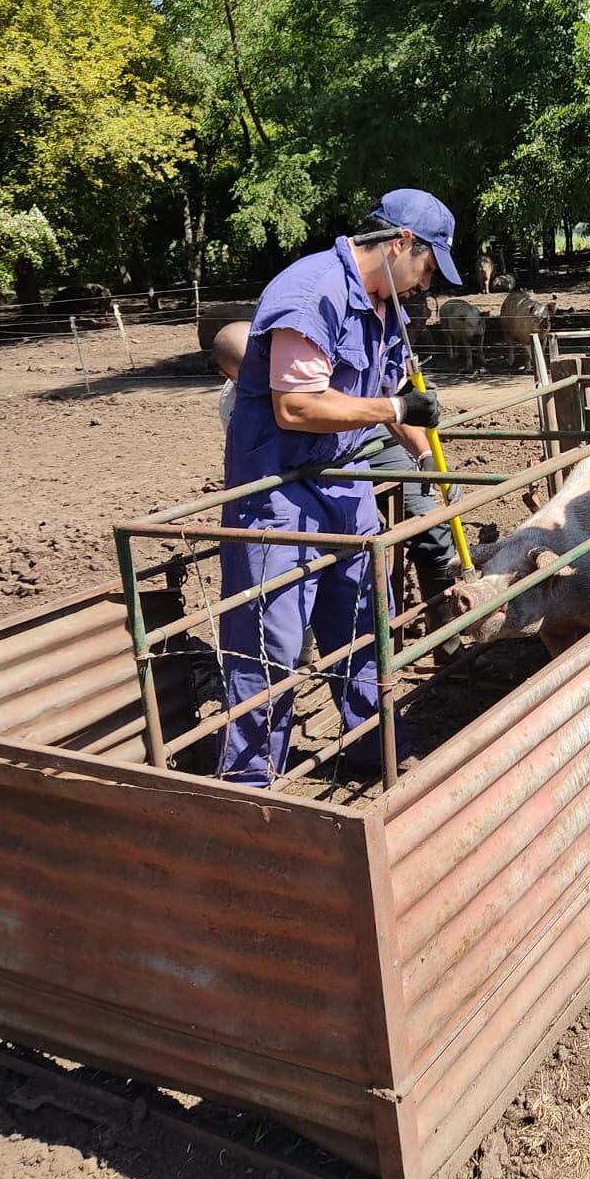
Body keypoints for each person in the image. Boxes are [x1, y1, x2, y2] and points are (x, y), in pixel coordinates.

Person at [217, 188, 461, 787]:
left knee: (363, 613)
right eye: (428, 268)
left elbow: (398, 394)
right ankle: (251, 779)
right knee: (270, 636)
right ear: (401, 244)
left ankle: (370, 746)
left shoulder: (388, 306)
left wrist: (426, 455)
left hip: (343, 477)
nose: (425, 286)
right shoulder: (311, 292)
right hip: (280, 483)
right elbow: (296, 406)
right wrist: (388, 410)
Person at [210, 318, 464, 664]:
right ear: (230, 376)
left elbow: (387, 403)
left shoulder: (307, 359)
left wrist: (424, 454)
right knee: (306, 558)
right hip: (307, 468)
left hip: (370, 440)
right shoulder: (236, 407)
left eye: (264, 362)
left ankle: (446, 641)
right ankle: (304, 650)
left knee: (430, 528)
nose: (265, 375)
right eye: (250, 372)